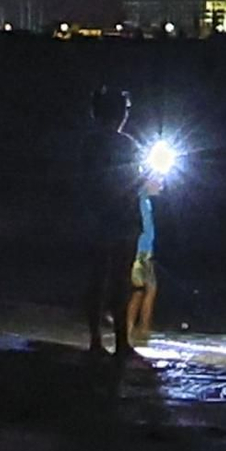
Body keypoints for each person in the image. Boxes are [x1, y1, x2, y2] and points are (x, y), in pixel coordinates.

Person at [81, 86, 143, 357]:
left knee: (99, 278)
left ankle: (97, 340)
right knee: (120, 280)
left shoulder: (90, 143)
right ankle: (120, 341)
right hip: (122, 218)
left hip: (99, 217)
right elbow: (134, 182)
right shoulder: (126, 144)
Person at [125, 175, 161, 347]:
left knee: (150, 289)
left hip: (146, 253)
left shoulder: (146, 201)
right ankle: (129, 329)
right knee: (139, 291)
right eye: (158, 181)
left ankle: (143, 330)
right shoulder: (139, 198)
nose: (161, 185)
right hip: (138, 252)